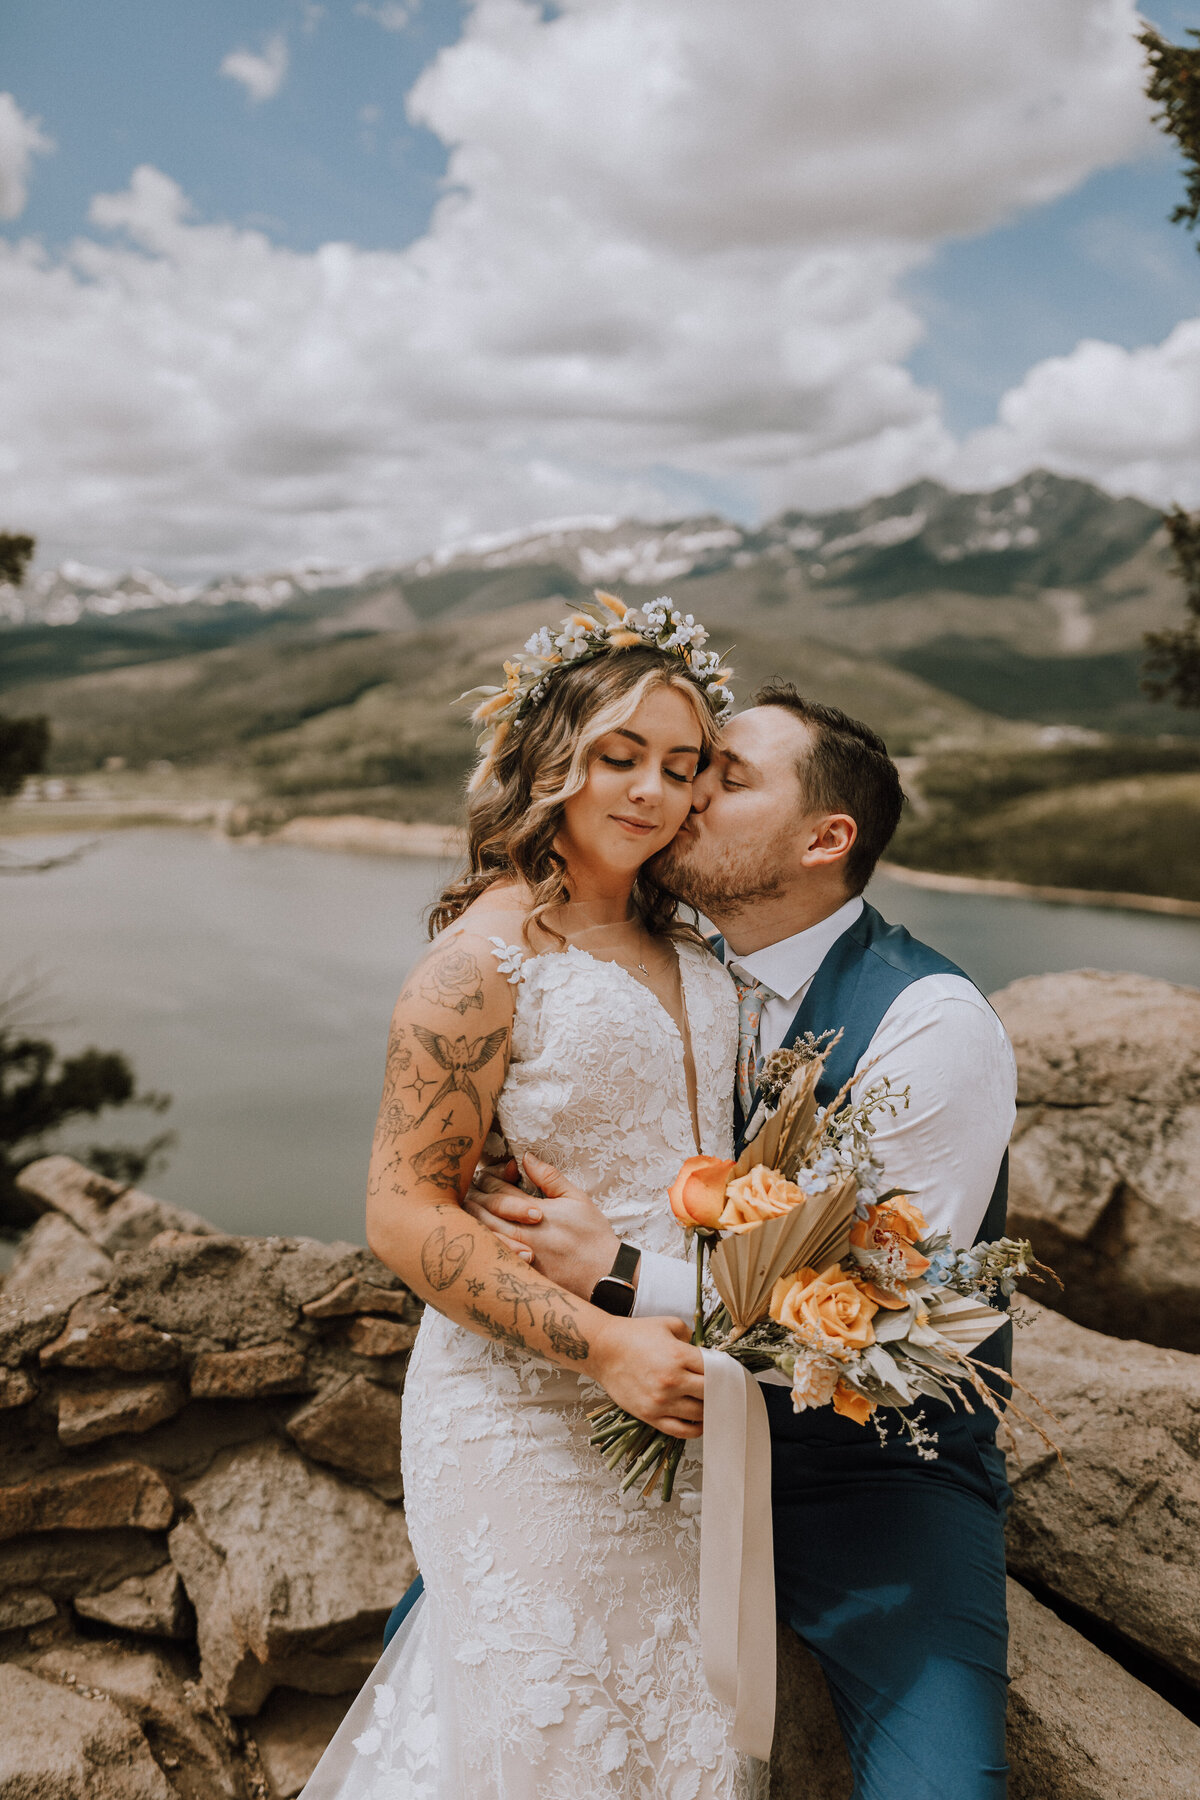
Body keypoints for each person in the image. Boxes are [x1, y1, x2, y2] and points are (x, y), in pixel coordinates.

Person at [469, 686, 1018, 1800]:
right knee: (474, 1664)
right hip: (651, 1417)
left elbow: (877, 1314)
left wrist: (617, 1275)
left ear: (826, 840)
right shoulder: (655, 964)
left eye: (727, 778)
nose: (685, 794)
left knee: (945, 1784)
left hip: (868, 1475)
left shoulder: (933, 1024)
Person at [302, 601, 766, 1800]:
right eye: (620, 757)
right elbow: (406, 1215)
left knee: (683, 1729)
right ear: (554, 754)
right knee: (543, 1740)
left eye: (681, 766)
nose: (652, 791)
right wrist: (605, 1343)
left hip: (684, 1398)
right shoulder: (480, 963)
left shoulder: (703, 945)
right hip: (527, 1411)